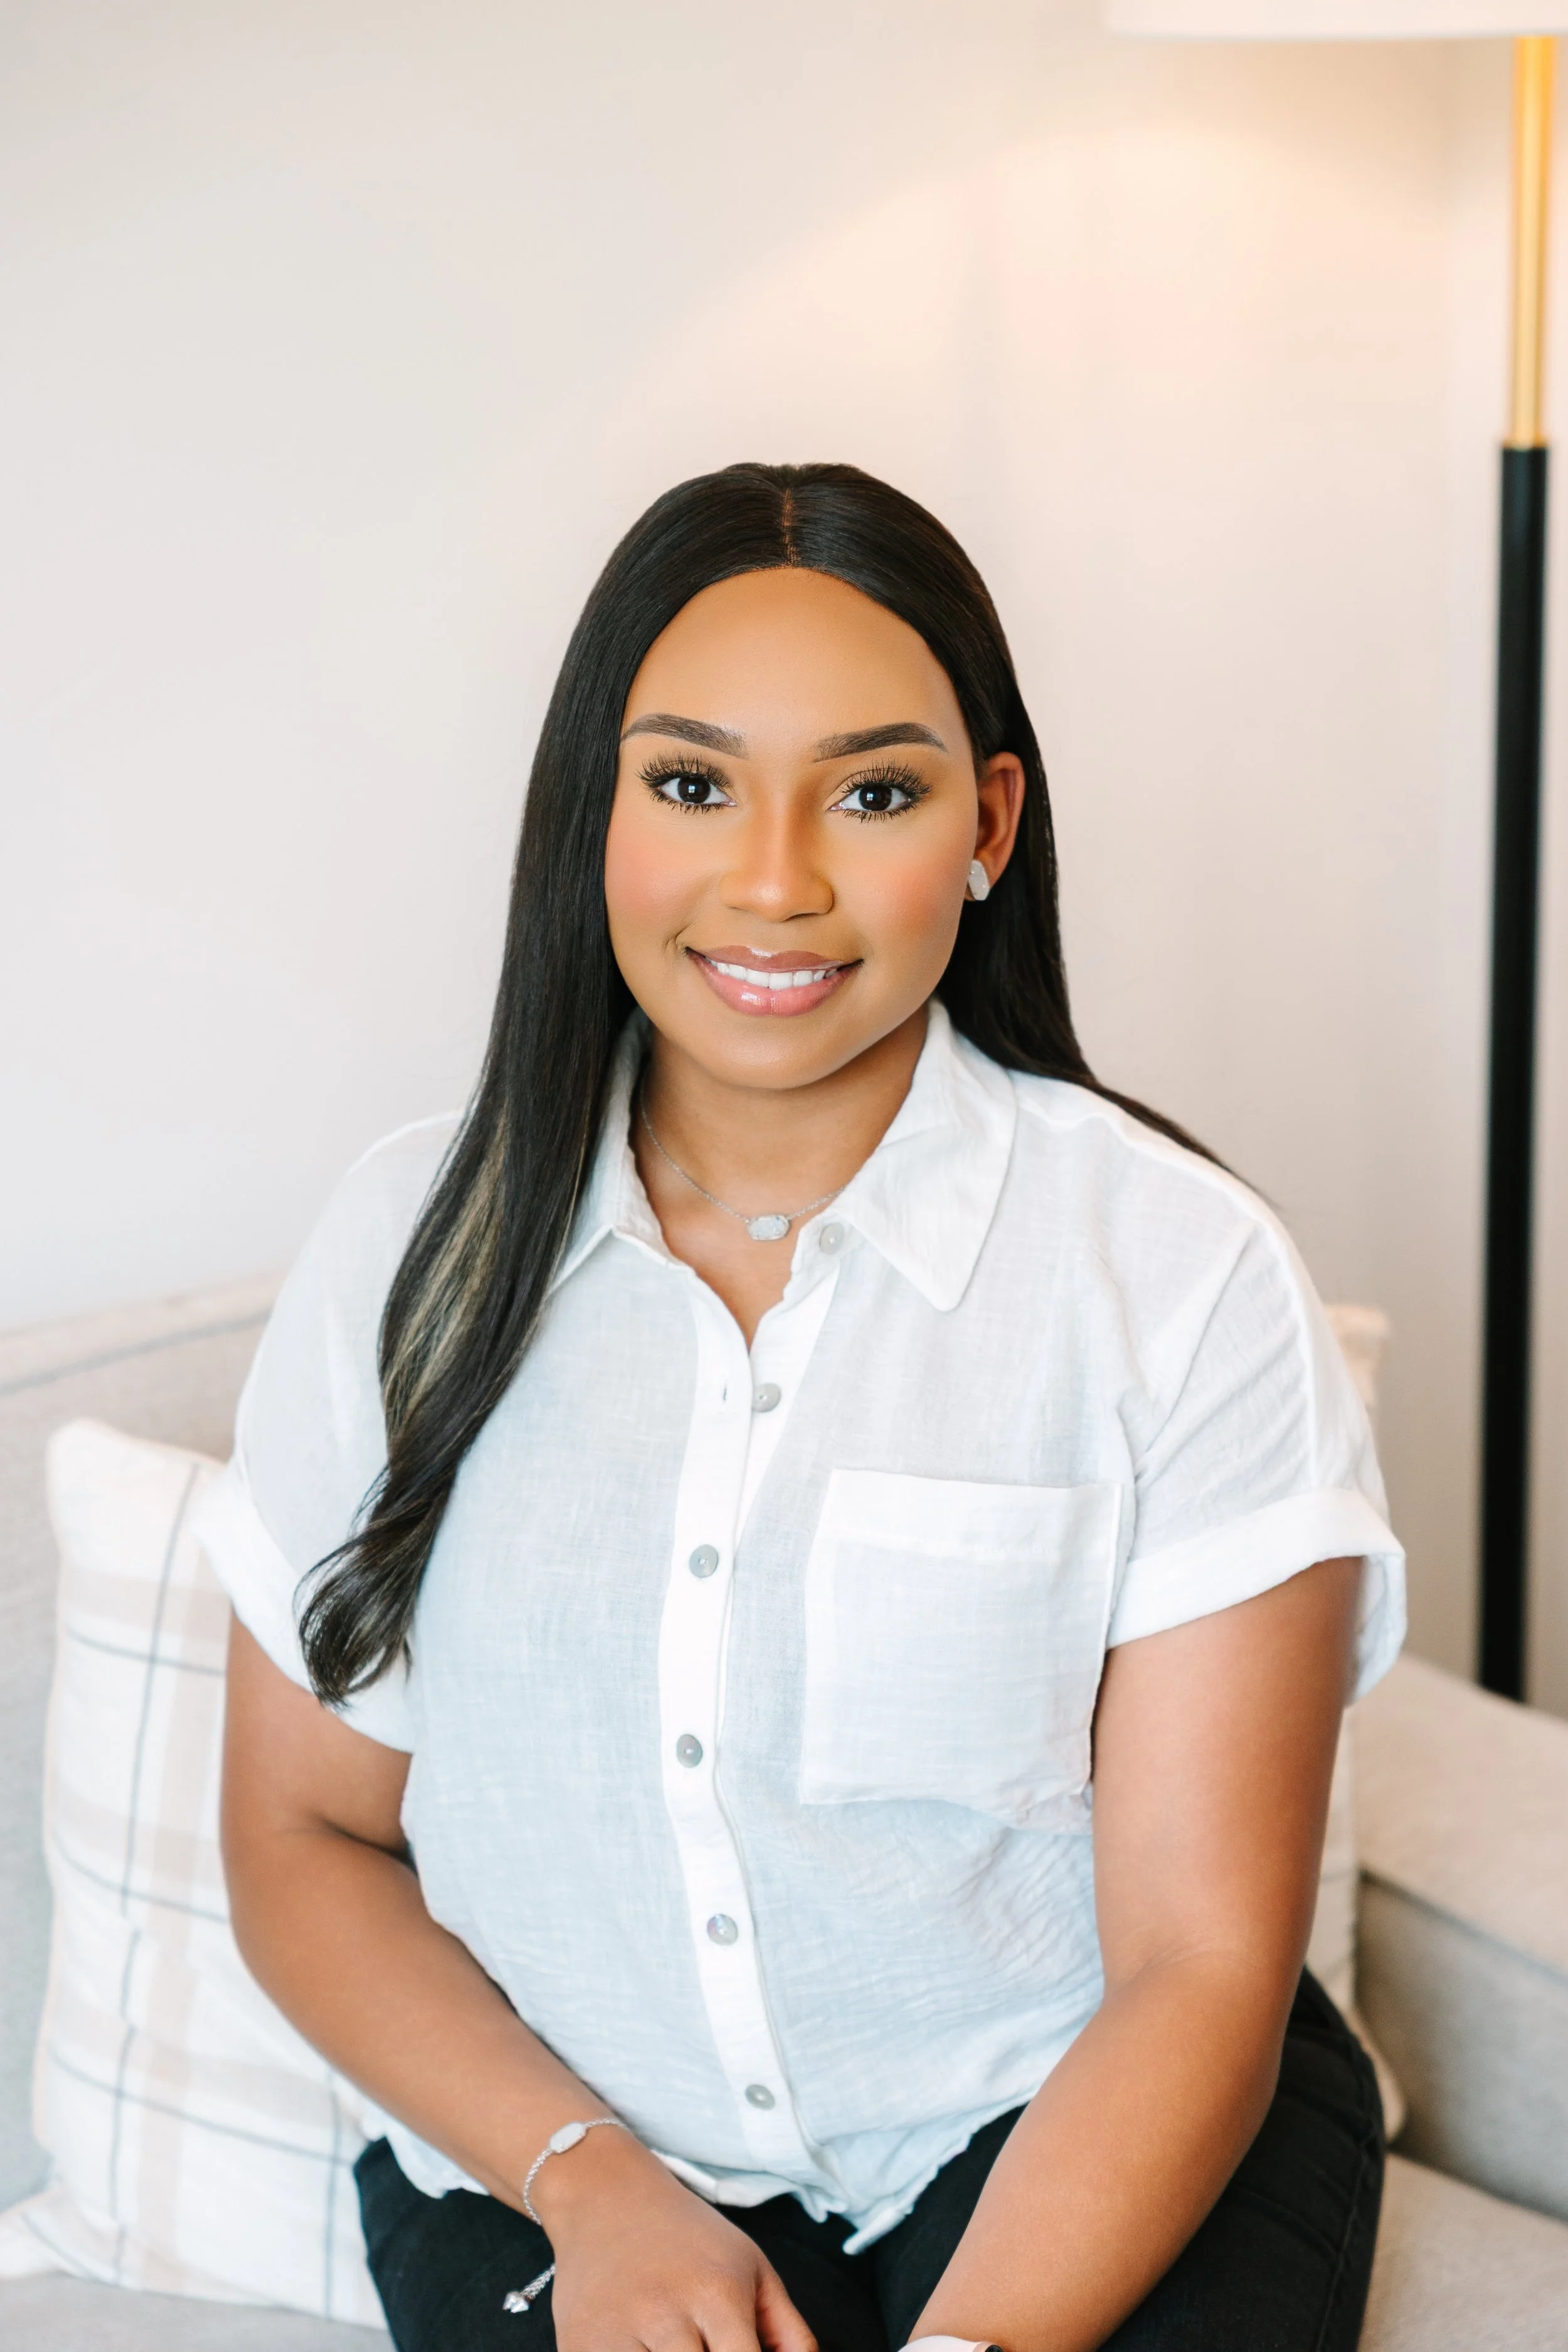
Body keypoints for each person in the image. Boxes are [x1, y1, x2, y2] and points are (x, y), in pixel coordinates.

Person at [205, 462, 1404, 2352]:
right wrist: (591, 2184)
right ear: (590, 810)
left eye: (873, 790)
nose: (776, 878)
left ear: (988, 820)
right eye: (690, 783)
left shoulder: (1178, 1274)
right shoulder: (401, 1255)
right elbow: (302, 1838)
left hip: (1069, 2125)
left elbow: (1196, 1959)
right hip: (568, 2166)